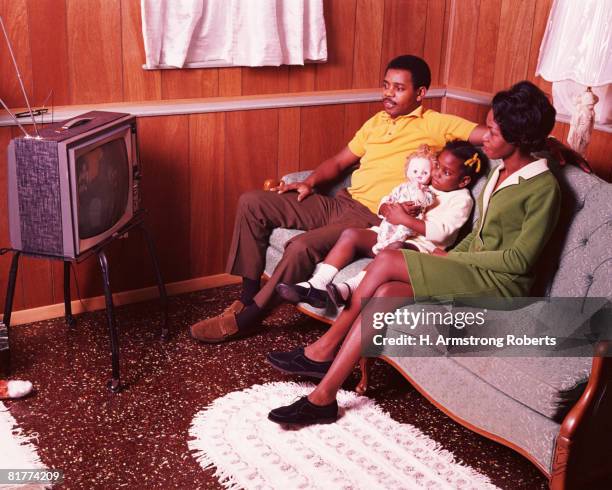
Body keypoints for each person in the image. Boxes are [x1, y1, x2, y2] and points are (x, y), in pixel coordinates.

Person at [267, 80, 563, 425]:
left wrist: (450, 258)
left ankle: (322, 350)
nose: (485, 137)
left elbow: (519, 261)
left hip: (504, 285)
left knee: (390, 260)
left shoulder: (544, 188)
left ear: (519, 139)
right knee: (386, 292)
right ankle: (324, 397)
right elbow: (479, 236)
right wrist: (448, 253)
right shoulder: (500, 170)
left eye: (494, 133)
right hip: (473, 271)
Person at [190, 54, 486, 344]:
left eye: (399, 88)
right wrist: (308, 182)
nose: (388, 93)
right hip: (341, 201)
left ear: (420, 93)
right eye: (386, 85)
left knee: (302, 247)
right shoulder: (376, 122)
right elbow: (339, 162)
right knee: (253, 202)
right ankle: (246, 297)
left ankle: (248, 319)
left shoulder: (436, 123)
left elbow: (486, 136)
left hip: (371, 216)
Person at [275, 141, 486, 310]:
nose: (437, 174)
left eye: (446, 172)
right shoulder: (423, 182)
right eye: (437, 166)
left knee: (391, 251)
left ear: (464, 181)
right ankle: (318, 285)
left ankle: (347, 289)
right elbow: (391, 197)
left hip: (420, 247)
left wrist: (406, 219)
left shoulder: (461, 199)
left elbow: (441, 234)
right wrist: (387, 208)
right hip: (391, 231)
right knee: (351, 235)